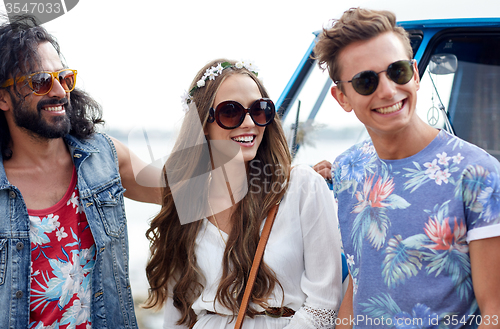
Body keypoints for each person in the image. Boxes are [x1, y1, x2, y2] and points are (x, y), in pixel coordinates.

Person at [312, 7, 500, 328]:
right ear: (342, 97)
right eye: (366, 81)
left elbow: (493, 312)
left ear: (414, 74)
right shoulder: (347, 170)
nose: (387, 91)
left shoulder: (478, 173)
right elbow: (359, 284)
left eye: (396, 71)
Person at [144, 58, 343, 328]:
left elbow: (324, 304)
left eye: (259, 110)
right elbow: (177, 314)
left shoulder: (303, 187)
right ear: (203, 123)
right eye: (230, 112)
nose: (249, 122)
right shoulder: (187, 202)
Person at [0, 15, 160, 328]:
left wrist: (230, 124)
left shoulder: (103, 158)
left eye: (65, 78)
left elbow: (185, 194)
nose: (59, 91)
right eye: (40, 81)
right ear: (2, 97)